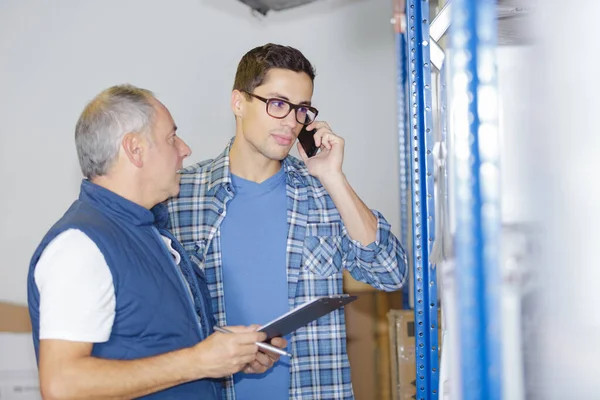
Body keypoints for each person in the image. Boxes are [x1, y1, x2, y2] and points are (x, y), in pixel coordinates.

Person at [165, 44, 408, 399]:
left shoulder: (322, 194)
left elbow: (390, 273)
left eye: (302, 110)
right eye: (277, 104)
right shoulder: (181, 196)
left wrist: (333, 177)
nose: (291, 122)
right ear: (238, 102)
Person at [26, 84, 286, 400]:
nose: (185, 149)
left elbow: (157, 344)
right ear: (135, 149)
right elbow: (62, 385)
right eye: (171, 138)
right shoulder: (80, 246)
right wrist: (199, 361)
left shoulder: (154, 235)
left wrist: (228, 354)